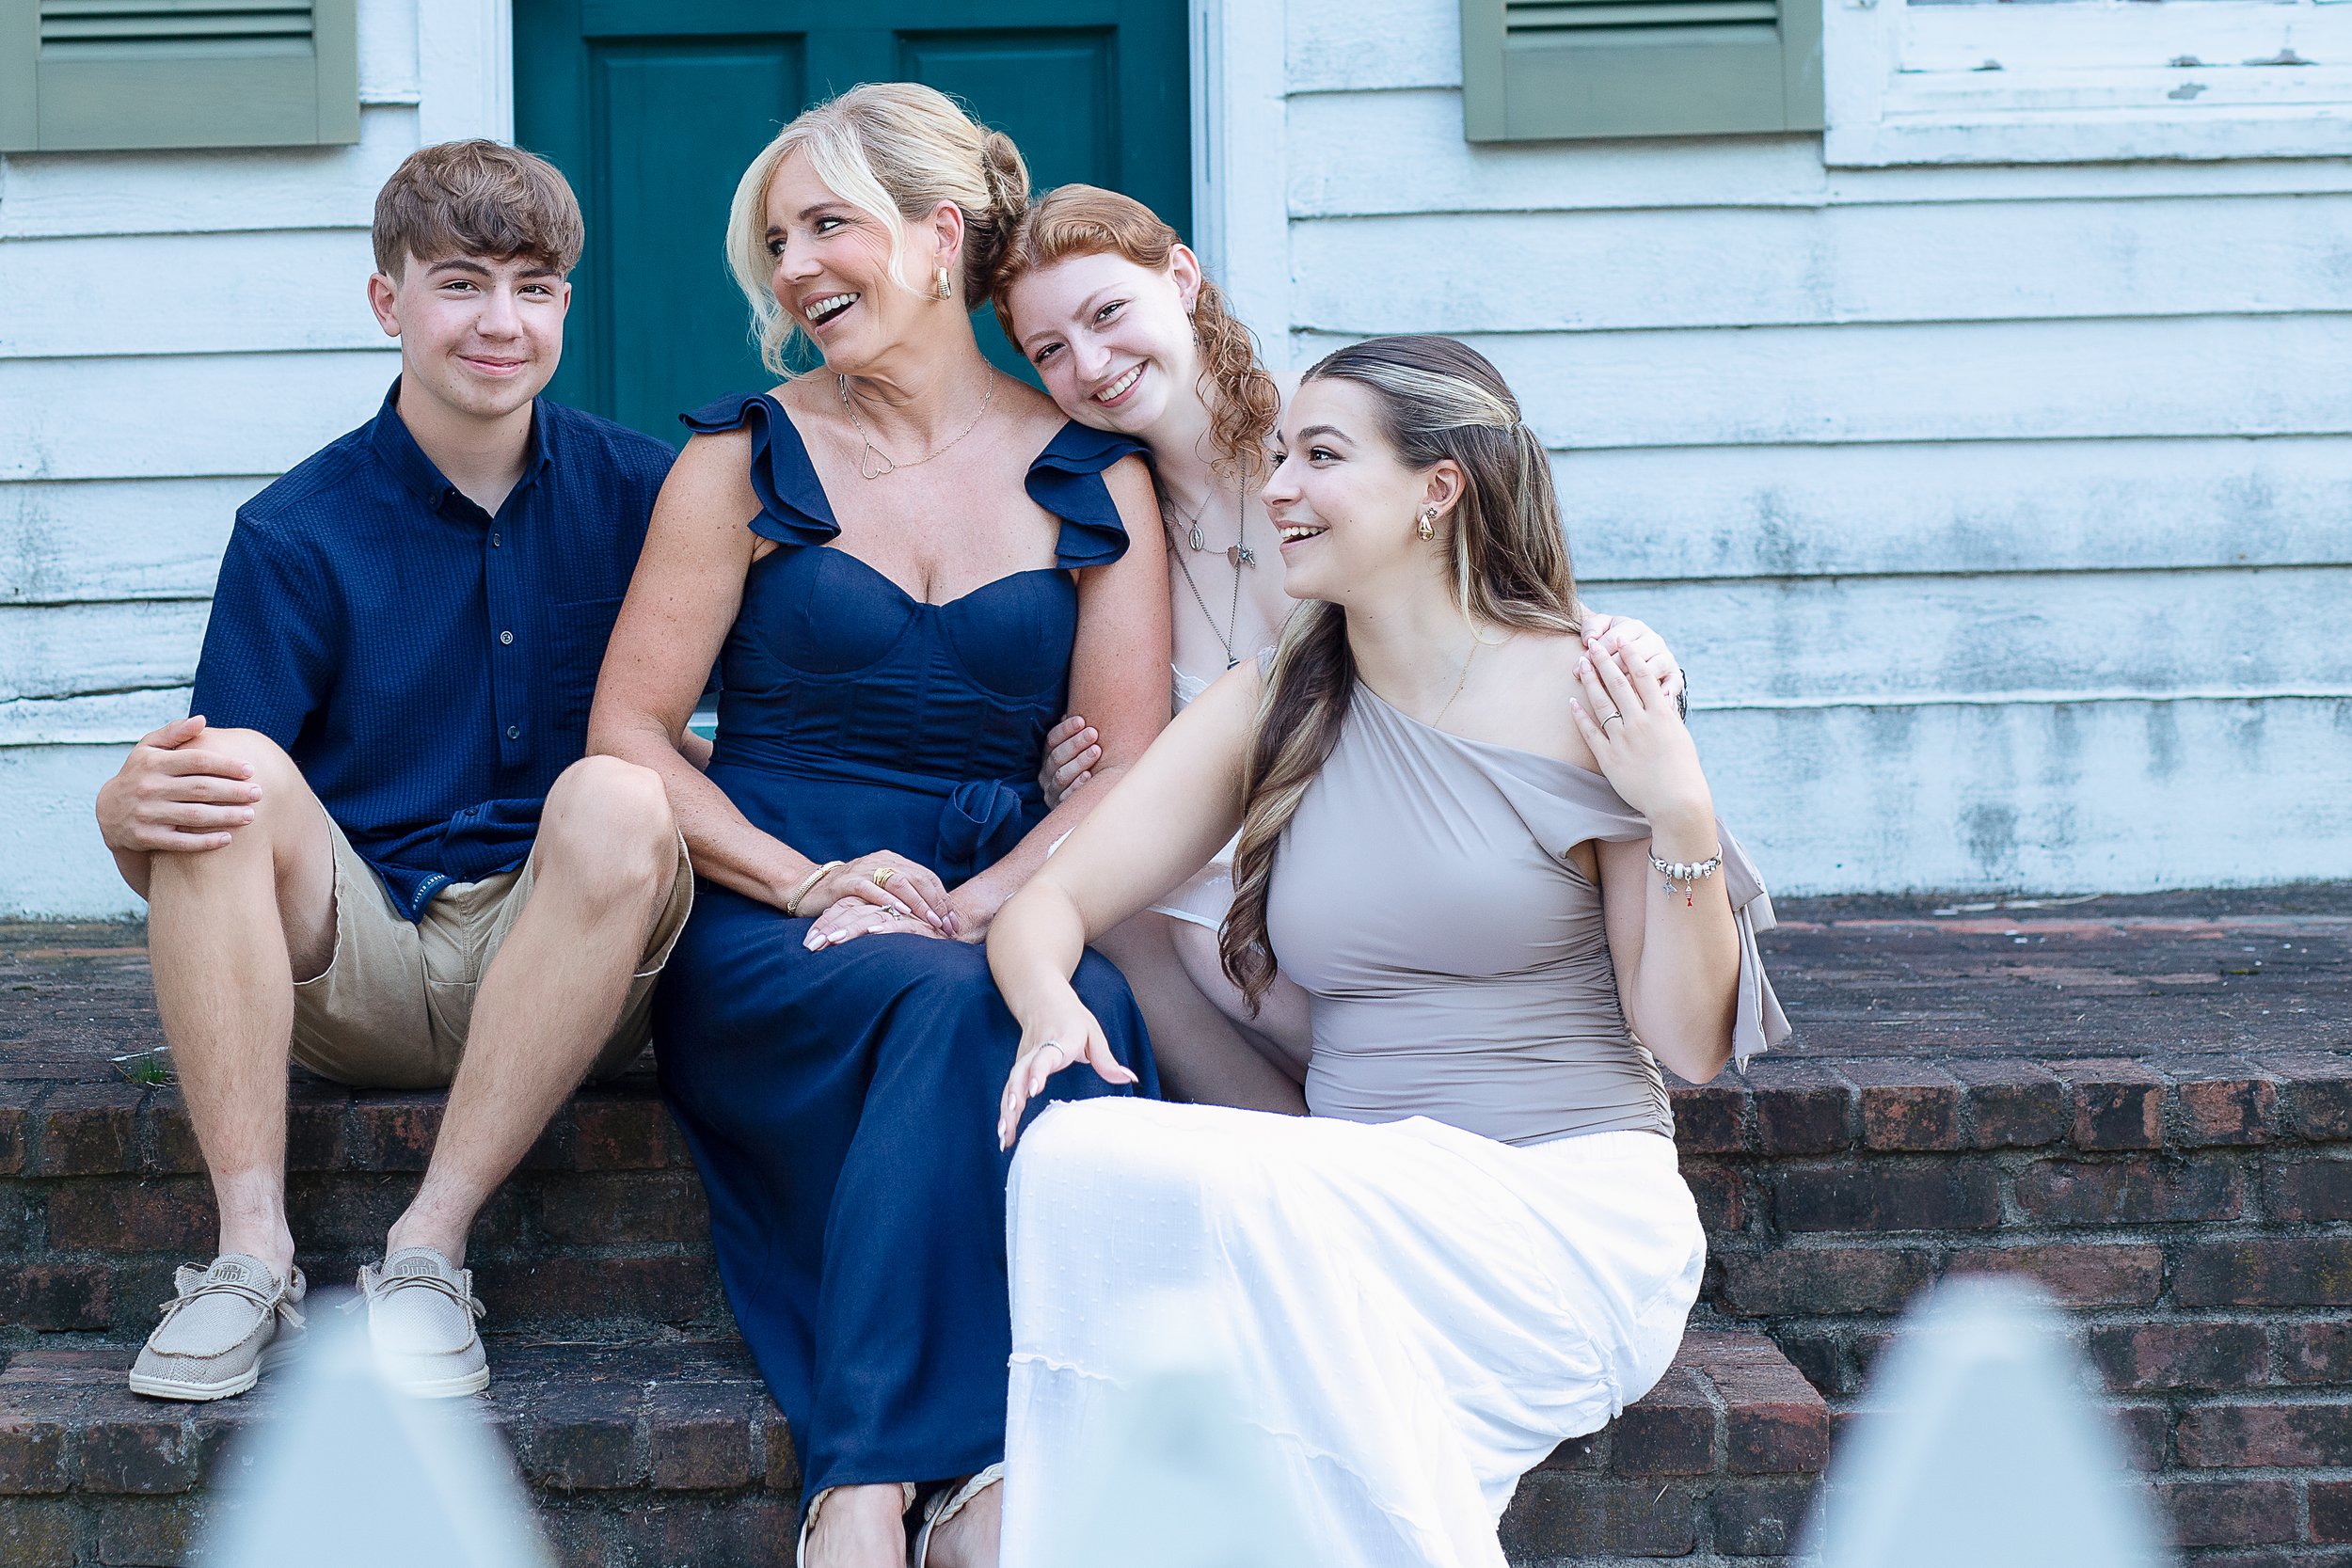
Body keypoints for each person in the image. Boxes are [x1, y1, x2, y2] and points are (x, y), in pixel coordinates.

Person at [985, 335, 1789, 1568]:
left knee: (1260, 1214)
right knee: (1079, 1157)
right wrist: (1047, 1005)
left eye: (1322, 455)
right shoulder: (1278, 698)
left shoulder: (1598, 685)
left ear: (1438, 489)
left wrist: (1677, 809)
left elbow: (1686, 1039)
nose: (1279, 487)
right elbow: (1050, 903)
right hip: (1351, 1220)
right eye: (1279, 456)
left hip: (1559, 1214)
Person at [586, 87, 1164, 1568]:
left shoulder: (1093, 475)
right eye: (778, 243)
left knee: (1051, 998)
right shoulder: (740, 460)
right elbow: (631, 736)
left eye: (826, 226)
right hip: (778, 917)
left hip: (995, 894)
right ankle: (958, 1479)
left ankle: (866, 1484)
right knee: (958, 1002)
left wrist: (985, 902)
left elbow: (1129, 768)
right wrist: (811, 877)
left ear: (937, 234)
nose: (792, 269)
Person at [92, 141, 693, 1403]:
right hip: (359, 950)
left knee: (625, 788)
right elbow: (210, 820)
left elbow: (793, 706)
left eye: (533, 286)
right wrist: (119, 816)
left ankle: (428, 1245)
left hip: (570, 946)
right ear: (389, 302)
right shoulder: (296, 529)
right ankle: (248, 1253)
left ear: (566, 308)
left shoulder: (652, 495)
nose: (500, 321)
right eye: (461, 282)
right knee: (232, 766)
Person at [989, 186, 1688, 1113]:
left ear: (1183, 277)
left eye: (1107, 313)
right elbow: (1137, 763)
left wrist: (1608, 638)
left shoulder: (1331, 447)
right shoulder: (1109, 513)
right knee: (1142, 919)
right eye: (1049, 351)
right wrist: (1080, 773)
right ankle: (1304, 1162)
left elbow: (1484, 604)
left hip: (1411, 857)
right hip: (1229, 859)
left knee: (1205, 922)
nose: (1090, 362)